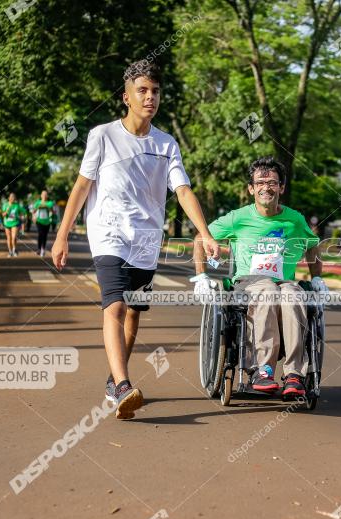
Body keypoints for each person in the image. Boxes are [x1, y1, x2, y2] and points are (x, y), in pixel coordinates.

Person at [52, 59, 218, 420]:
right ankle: (125, 385)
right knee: (115, 306)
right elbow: (82, 185)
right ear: (126, 96)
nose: (150, 97)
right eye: (142, 90)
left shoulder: (166, 143)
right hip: (108, 234)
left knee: (134, 313)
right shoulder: (103, 135)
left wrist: (204, 234)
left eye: (155, 91)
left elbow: (184, 191)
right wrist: (62, 235)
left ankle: (114, 382)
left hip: (146, 239)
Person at [193, 156, 326, 400]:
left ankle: (294, 374)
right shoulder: (238, 218)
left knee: (293, 294)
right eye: (261, 182)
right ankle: (263, 369)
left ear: (282, 188)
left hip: (283, 282)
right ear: (251, 188)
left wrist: (317, 279)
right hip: (248, 282)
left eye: (273, 182)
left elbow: (312, 246)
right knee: (267, 290)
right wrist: (201, 275)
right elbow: (201, 239)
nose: (267, 187)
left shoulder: (294, 219)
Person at [1, 192, 25, 256]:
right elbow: (3, 215)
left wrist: (22, 216)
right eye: (11, 197)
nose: (12, 198)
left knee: (14, 237)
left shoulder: (17, 205)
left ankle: (14, 250)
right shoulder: (5, 205)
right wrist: (6, 211)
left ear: (15, 198)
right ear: (9, 198)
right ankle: (10, 251)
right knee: (9, 238)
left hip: (15, 223)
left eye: (13, 197)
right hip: (7, 223)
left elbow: (23, 212)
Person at [32, 190, 55, 256]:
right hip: (39, 221)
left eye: (46, 194)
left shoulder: (50, 202)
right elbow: (34, 210)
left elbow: (50, 208)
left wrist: (42, 206)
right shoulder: (37, 202)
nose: (44, 196)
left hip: (47, 222)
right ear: (41, 195)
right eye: (43, 194)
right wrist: (34, 216)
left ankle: (43, 249)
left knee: (45, 236)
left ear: (47, 196)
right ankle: (39, 248)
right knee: (40, 234)